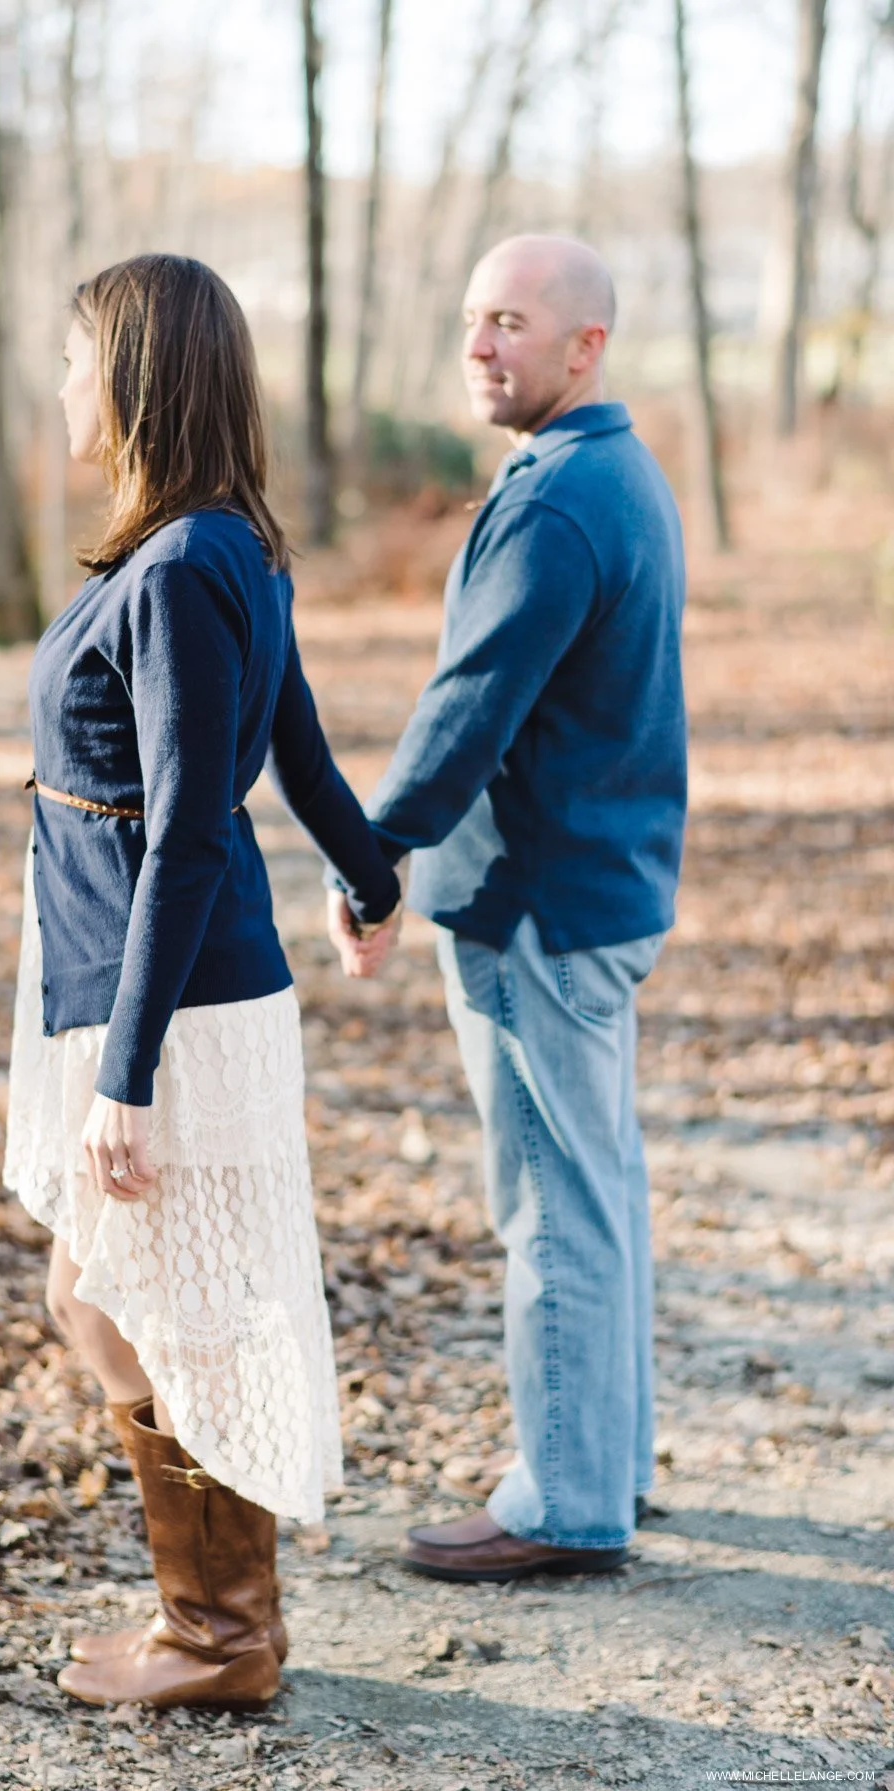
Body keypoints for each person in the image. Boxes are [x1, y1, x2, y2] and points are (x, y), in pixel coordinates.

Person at [3, 253, 401, 1708]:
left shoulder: (182, 567)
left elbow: (187, 822)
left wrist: (124, 1072)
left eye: (74, 359)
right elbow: (294, 744)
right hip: (128, 968)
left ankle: (224, 1633)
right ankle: (219, 1619)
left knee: (155, 1300)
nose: (60, 386)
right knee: (108, 1292)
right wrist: (371, 873)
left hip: (165, 994)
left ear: (135, 381)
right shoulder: (217, 545)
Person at [329, 234, 687, 1581]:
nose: (481, 345)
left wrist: (374, 855)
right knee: (596, 1186)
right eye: (475, 318)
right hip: (593, 887)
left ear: (585, 346)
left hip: (541, 902)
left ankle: (566, 1498)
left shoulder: (559, 501)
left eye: (514, 323)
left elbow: (466, 707)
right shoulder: (612, 475)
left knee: (551, 1199)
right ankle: (609, 1464)